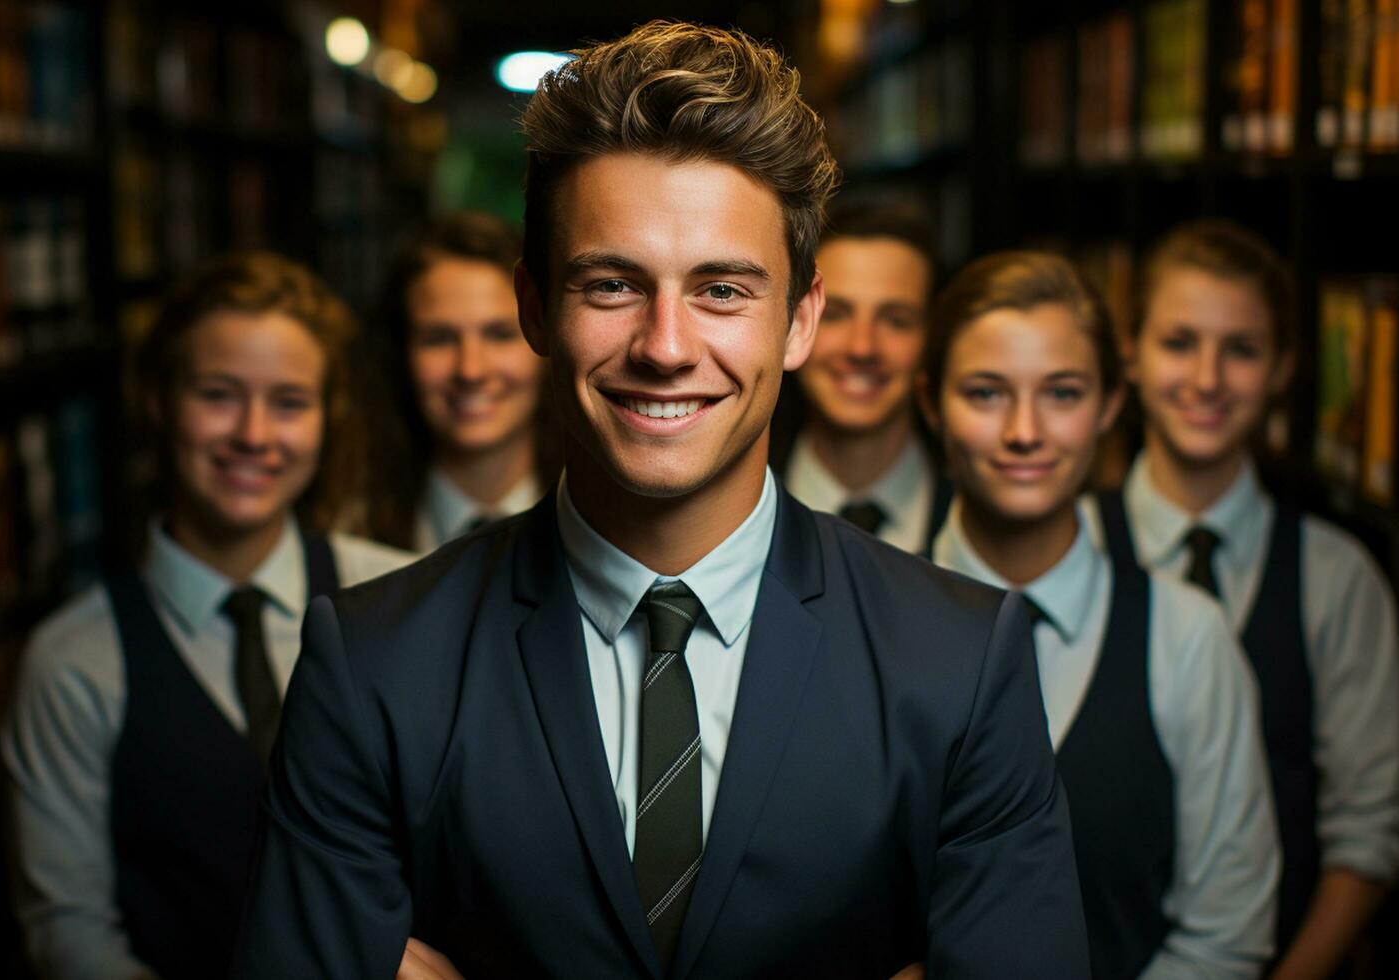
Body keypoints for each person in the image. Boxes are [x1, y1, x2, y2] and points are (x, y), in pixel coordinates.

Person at [233, 21, 1089, 980]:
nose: (667, 346)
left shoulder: (962, 663)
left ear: (801, 317)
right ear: (533, 307)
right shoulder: (373, 663)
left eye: (722, 289)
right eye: (611, 284)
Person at [1, 252, 415, 980]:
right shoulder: (74, 661)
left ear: (327, 417)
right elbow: (69, 938)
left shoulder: (400, 597)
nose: (254, 434)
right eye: (218, 394)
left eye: (289, 401)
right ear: (159, 400)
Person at [920, 250, 1279, 978]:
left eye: (1063, 393)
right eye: (986, 393)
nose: (1025, 431)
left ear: (1112, 403)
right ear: (931, 404)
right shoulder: (857, 619)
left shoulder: (1187, 639)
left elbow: (1226, 934)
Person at [1100, 219, 1399, 979]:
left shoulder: (1336, 577)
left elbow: (1366, 834)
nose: (1207, 378)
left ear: (1283, 369)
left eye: (1241, 349)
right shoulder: (1070, 548)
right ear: (1131, 353)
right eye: (1179, 343)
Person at [363, 212, 557, 552]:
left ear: (547, 340)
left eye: (499, 334)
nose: (470, 370)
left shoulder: (614, 526)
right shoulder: (348, 545)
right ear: (400, 353)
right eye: (439, 338)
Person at [780, 199, 950, 551]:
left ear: (932, 339)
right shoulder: (726, 514)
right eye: (836, 315)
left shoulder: (979, 517)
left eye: (896, 320)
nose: (862, 348)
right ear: (794, 323)